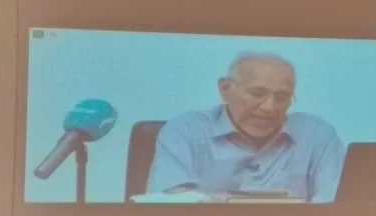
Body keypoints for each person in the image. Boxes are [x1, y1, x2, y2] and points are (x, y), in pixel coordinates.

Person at [145, 53, 344, 202]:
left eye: (281, 97)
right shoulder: (186, 130)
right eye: (257, 93)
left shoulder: (317, 135)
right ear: (225, 89)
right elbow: (168, 202)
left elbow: (332, 206)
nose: (269, 107)